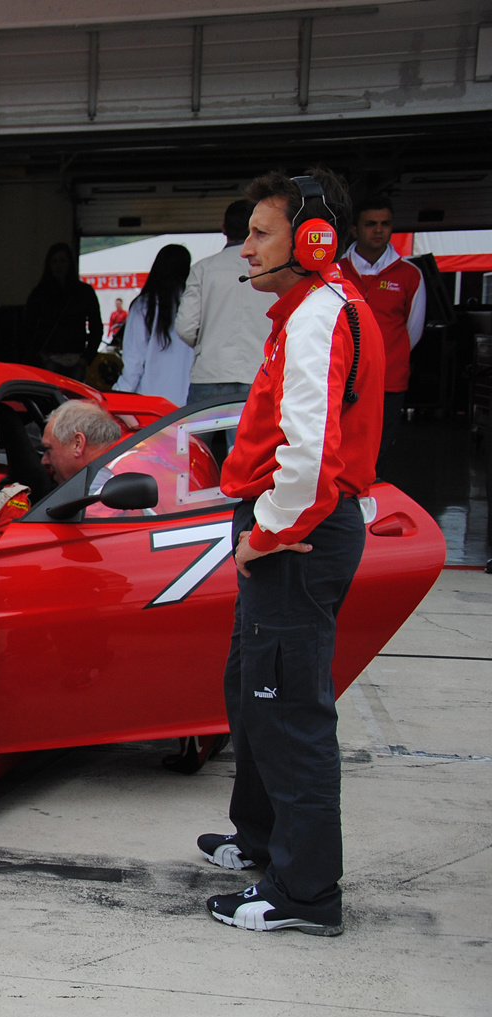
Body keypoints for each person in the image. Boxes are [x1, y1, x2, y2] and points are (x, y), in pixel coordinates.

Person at [201, 167, 382, 937]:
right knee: (252, 690)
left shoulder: (317, 317)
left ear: (312, 241)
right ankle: (261, 841)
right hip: (292, 529)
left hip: (297, 536)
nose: (244, 248)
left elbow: (309, 453)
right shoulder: (309, 307)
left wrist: (266, 533)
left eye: (259, 233)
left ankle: (306, 893)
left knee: (290, 716)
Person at [339, 195, 425, 469]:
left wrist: (384, 354)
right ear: (355, 229)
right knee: (339, 443)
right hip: (341, 378)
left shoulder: (410, 274)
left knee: (381, 445)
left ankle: (371, 502)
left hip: (389, 379)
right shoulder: (335, 271)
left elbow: (413, 330)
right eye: (370, 224)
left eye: (385, 224)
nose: (378, 230)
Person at [179, 200, 273, 404]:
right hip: (257, 372)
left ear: (224, 229)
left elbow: (185, 326)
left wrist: (208, 344)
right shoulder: (273, 271)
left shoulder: (203, 269)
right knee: (247, 437)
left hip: (210, 372)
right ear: (254, 230)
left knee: (196, 437)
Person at [0, 399, 121, 535]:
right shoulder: (112, 483)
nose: (44, 461)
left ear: (78, 444)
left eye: (49, 449)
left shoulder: (98, 506)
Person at [114, 244, 193, 407]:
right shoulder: (195, 303)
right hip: (189, 403)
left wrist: (120, 393)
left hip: (150, 404)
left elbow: (134, 360)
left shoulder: (144, 306)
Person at [23, 243, 101, 381]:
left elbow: (96, 326)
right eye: (54, 261)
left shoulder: (84, 292)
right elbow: (28, 327)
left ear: (70, 263)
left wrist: (87, 357)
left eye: (63, 260)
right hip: (50, 357)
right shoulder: (40, 293)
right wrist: (40, 356)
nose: (59, 266)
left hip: (76, 357)